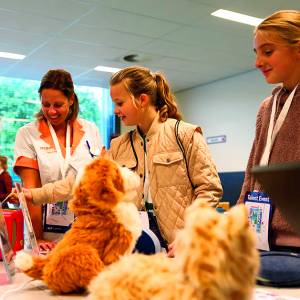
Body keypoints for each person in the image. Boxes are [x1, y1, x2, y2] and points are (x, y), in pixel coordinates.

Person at [107, 65, 223, 256]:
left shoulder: (185, 134)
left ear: (142, 100)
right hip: (134, 242)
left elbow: (209, 190)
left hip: (179, 244)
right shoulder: (118, 145)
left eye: (119, 103)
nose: (115, 110)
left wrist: (190, 234)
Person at [13, 69, 102, 251]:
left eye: (58, 104)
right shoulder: (28, 134)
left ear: (71, 100)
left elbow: (98, 181)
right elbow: (31, 192)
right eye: (46, 104)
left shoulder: (91, 130)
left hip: (87, 230)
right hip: (47, 235)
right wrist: (37, 238)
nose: (51, 111)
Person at [238, 10, 300, 250]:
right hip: (261, 239)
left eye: (268, 51)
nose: (258, 62)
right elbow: (252, 171)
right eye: (256, 53)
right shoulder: (267, 107)